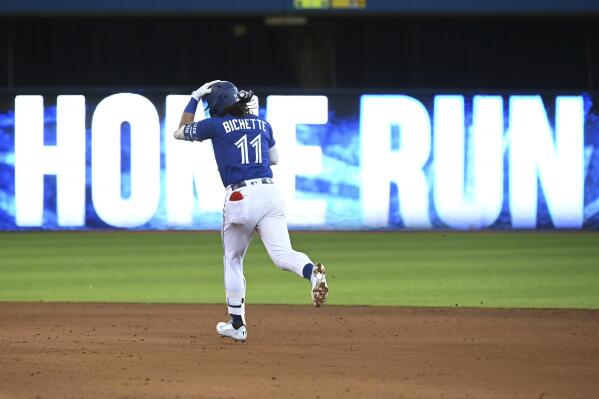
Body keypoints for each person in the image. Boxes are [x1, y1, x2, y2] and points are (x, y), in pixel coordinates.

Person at [173, 80, 328, 342]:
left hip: (240, 194)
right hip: (270, 193)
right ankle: (312, 272)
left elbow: (181, 131)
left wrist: (195, 97)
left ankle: (237, 324)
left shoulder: (216, 124)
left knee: (233, 259)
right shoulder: (262, 124)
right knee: (282, 254)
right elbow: (275, 158)